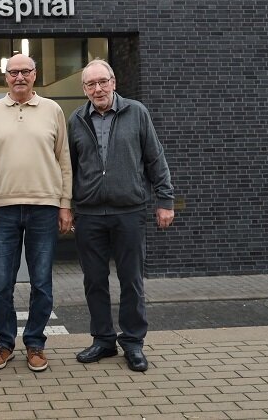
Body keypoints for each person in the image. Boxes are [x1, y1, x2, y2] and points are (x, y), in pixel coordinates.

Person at [67, 59, 175, 372]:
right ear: (84, 89)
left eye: (102, 81)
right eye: (90, 84)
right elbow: (69, 170)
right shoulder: (76, 120)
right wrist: (69, 206)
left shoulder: (137, 112)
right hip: (89, 214)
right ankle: (103, 340)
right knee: (94, 281)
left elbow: (155, 159)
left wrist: (165, 200)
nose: (97, 89)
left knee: (131, 280)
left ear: (113, 82)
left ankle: (133, 343)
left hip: (129, 211)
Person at [0, 54, 72, 374]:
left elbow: (64, 161)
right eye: (13, 72)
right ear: (5, 77)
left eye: (25, 72)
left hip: (45, 207)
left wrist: (65, 203)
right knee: (1, 282)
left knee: (42, 282)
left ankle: (35, 344)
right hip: (2, 209)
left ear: (35, 75)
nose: (19, 77)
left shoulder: (53, 110)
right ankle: (4, 343)